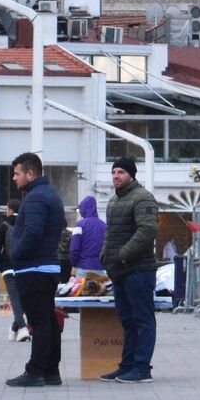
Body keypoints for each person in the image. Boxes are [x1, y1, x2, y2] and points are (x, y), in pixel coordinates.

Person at [3, 153, 68, 387]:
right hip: (45, 266)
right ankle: (51, 371)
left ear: (30, 173)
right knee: (48, 319)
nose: (14, 178)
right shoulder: (47, 194)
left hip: (34, 268)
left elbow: (32, 233)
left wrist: (15, 254)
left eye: (17, 173)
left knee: (39, 321)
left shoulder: (36, 198)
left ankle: (36, 370)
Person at [100, 157, 160, 383]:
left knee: (142, 319)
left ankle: (142, 367)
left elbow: (147, 230)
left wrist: (123, 255)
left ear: (132, 175)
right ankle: (127, 366)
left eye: (121, 172)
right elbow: (110, 233)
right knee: (127, 320)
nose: (116, 176)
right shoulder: (114, 201)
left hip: (138, 270)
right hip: (119, 270)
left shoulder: (143, 198)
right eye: (114, 172)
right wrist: (104, 255)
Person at [0, 198, 30, 342]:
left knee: (15, 298)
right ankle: (20, 327)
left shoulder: (3, 227)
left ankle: (19, 328)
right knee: (23, 299)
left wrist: (1, 267)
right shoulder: (26, 226)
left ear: (11, 210)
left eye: (7, 209)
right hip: (24, 268)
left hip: (8, 268)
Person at [67, 195, 106, 276]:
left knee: (83, 289)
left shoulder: (79, 225)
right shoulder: (104, 226)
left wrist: (74, 264)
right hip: (101, 268)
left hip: (83, 267)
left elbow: (74, 249)